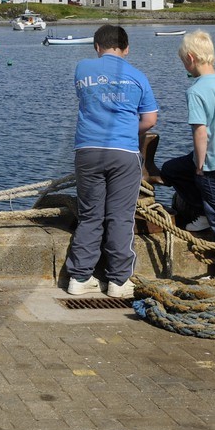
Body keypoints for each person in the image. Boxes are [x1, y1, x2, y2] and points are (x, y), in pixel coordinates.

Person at [62, 24, 158, 299]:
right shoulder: (139, 76)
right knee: (120, 216)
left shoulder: (82, 68)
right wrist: (129, 127)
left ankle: (80, 277)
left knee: (91, 214)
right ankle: (118, 280)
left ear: (96, 47)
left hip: (88, 150)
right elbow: (150, 120)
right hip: (124, 152)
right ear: (126, 49)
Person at [158, 30, 215, 279]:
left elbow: (200, 132)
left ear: (189, 58)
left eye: (182, 62)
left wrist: (200, 164)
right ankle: (202, 210)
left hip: (213, 160)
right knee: (171, 169)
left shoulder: (196, 91)